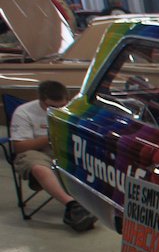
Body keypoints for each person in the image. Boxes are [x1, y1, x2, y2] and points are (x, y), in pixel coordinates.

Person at [8, 80, 97, 232]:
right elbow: (19, 147)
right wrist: (52, 137)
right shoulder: (24, 112)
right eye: (52, 106)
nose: (58, 109)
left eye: (62, 105)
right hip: (36, 152)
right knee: (39, 168)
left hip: (65, 150)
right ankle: (72, 206)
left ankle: (96, 204)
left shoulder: (73, 110)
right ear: (41, 100)